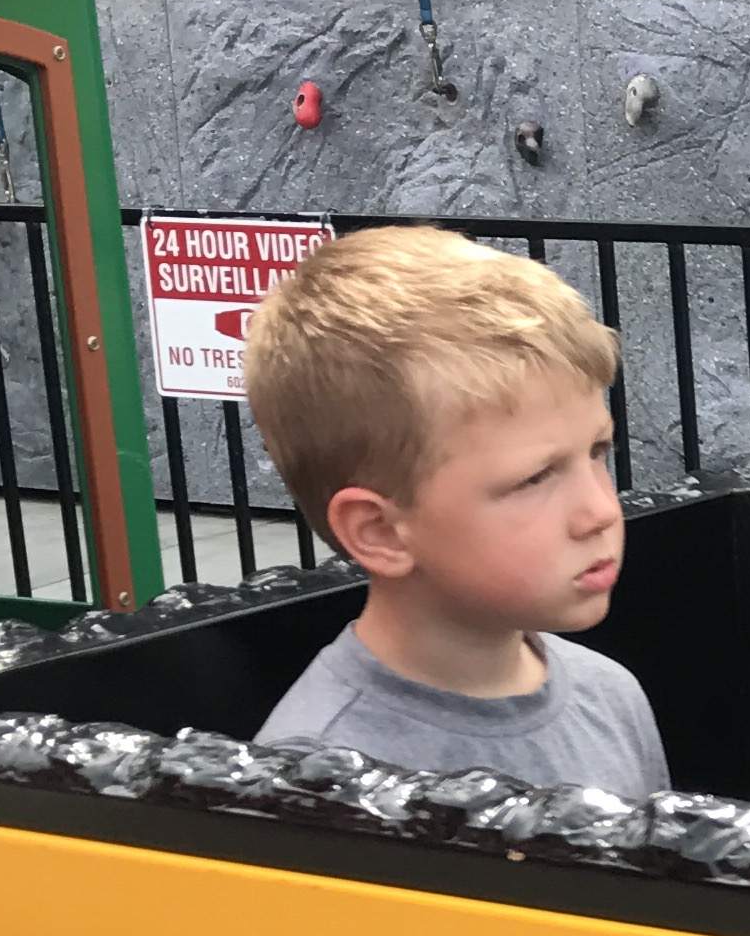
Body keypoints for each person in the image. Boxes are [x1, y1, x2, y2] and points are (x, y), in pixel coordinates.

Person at [243, 225, 667, 795]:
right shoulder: (318, 784)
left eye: (597, 452)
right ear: (381, 532)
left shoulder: (610, 696)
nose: (600, 512)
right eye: (535, 477)